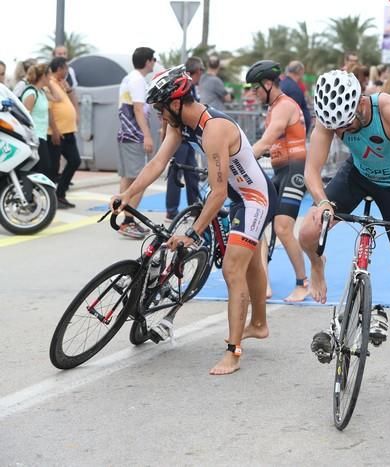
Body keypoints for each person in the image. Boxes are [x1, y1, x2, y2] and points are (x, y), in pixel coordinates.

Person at [111, 65, 276, 375]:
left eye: (160, 108)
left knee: (233, 268)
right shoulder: (180, 124)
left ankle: (233, 352)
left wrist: (192, 233)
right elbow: (158, 163)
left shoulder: (213, 129)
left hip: (255, 198)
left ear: (176, 103)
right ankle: (259, 324)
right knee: (250, 264)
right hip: (240, 197)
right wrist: (128, 194)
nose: (158, 114)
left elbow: (218, 192)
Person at [299, 70, 390, 361]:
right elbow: (311, 171)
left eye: (347, 124)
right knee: (308, 232)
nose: (343, 132)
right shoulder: (329, 118)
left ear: (360, 103)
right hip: (357, 176)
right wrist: (323, 202)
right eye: (337, 128)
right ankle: (317, 266)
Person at [246, 60, 309, 302]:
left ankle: (302, 283)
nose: (253, 93)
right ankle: (263, 283)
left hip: (295, 169)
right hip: (279, 170)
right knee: (258, 223)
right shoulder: (273, 107)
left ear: (269, 83)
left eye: (256, 87)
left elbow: (267, 139)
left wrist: (240, 158)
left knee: (282, 227)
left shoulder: (283, 106)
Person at [116, 47, 157, 239]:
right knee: (141, 180)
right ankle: (128, 221)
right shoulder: (138, 81)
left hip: (125, 134)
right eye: (153, 59)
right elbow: (139, 110)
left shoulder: (128, 78)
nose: (154, 63)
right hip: (134, 136)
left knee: (127, 178)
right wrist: (147, 135)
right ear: (147, 61)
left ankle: (123, 216)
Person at [164, 56, 205, 222]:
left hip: (189, 138)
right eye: (200, 72)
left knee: (192, 171)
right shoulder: (182, 88)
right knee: (176, 172)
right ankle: (171, 210)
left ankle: (194, 206)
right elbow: (166, 117)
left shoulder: (193, 88)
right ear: (196, 72)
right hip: (179, 137)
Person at [47, 57, 80, 209]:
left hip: (68, 131)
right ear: (59, 68)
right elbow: (50, 110)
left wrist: (69, 89)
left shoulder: (61, 83)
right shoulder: (50, 84)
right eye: (65, 68)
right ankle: (51, 198)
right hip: (57, 132)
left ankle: (60, 194)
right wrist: (54, 130)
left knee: (75, 161)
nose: (67, 71)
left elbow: (71, 101)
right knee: (53, 168)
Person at [20, 63, 52, 178]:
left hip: (42, 136)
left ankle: (31, 194)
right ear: (43, 76)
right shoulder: (31, 93)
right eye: (49, 75)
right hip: (34, 137)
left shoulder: (41, 92)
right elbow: (25, 116)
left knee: (44, 168)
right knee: (43, 168)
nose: (51, 78)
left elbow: (57, 99)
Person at [280, 60, 312, 136]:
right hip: (293, 133)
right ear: (300, 71)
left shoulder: (282, 84)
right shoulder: (294, 88)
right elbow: (294, 112)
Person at [53, 45, 79, 118]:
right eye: (60, 54)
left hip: (69, 110)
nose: (62, 56)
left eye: (64, 54)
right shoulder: (48, 71)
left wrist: (76, 112)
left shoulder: (71, 71)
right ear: (54, 55)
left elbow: (73, 91)